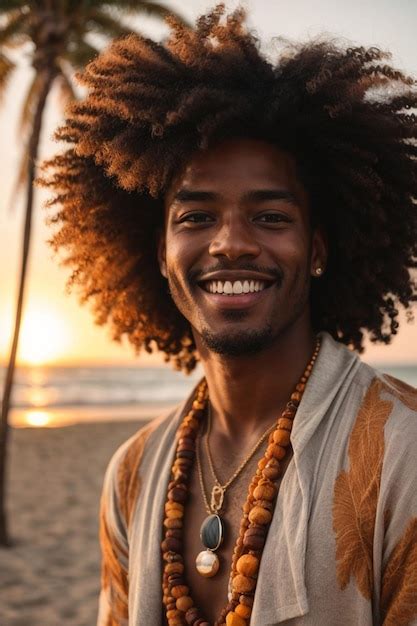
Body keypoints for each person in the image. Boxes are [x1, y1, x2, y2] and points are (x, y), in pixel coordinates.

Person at [41, 6, 417, 626]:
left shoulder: (402, 456)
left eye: (270, 216)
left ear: (318, 248)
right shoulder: (133, 472)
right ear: (159, 255)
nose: (230, 244)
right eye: (195, 217)